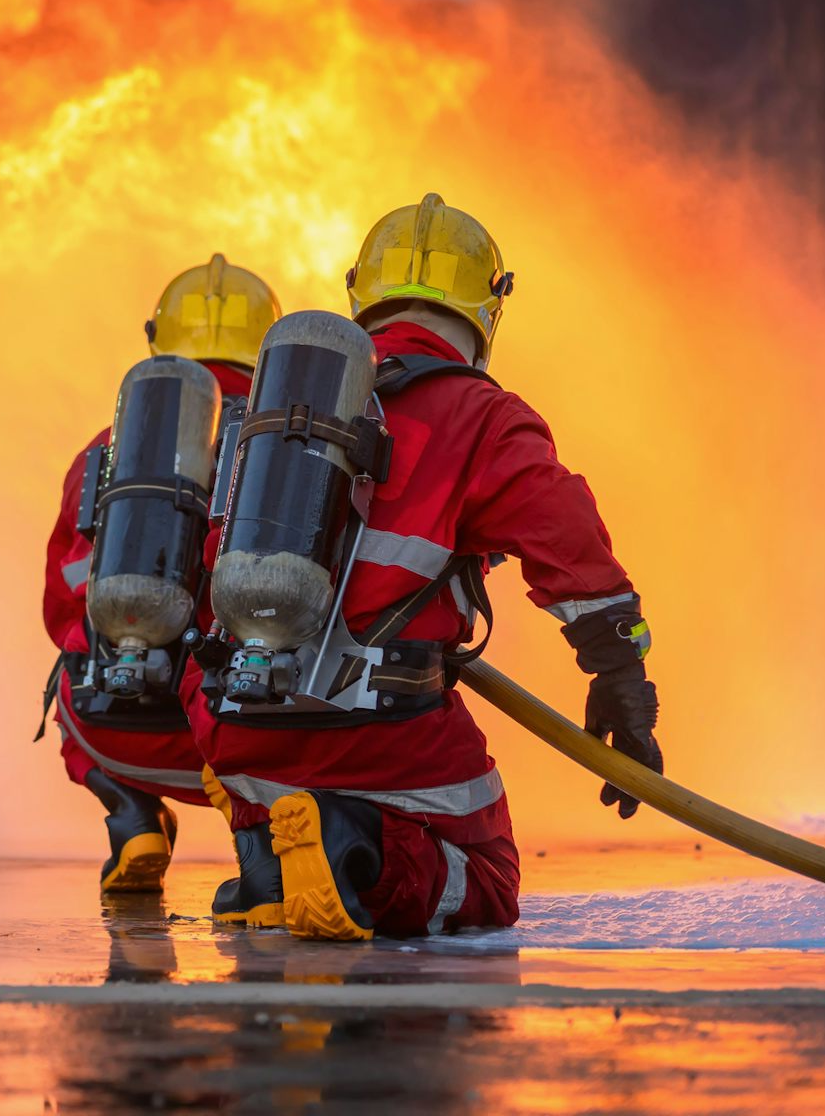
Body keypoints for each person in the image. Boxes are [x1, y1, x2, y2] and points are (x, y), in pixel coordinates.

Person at [186, 194, 663, 939]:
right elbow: (568, 540)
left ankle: (267, 872)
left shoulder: (273, 411)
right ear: (486, 311)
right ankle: (353, 850)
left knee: (280, 772)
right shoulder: (480, 414)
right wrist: (620, 676)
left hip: (238, 731)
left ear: (362, 293)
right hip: (381, 740)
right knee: (488, 879)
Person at [41, 256, 281, 892]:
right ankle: (263, 855)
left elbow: (60, 605)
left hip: (123, 734)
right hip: (254, 742)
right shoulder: (284, 443)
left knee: (68, 682)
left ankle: (133, 814)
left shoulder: (106, 449)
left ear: (158, 342)